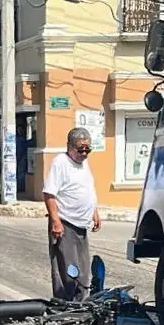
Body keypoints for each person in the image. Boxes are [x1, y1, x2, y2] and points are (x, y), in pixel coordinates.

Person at [43, 127, 101, 301]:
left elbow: (87, 189)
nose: (84, 153)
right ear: (69, 146)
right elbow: (49, 194)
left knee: (83, 273)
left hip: (81, 226)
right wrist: (55, 221)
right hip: (65, 224)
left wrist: (94, 211)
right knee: (69, 272)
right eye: (80, 149)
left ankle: (80, 307)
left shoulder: (84, 163)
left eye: (87, 150)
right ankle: (64, 309)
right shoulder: (60, 162)